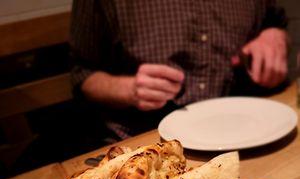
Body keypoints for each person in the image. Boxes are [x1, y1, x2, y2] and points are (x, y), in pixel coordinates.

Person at [70, 0, 288, 139]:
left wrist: (275, 36)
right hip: (145, 138)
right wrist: (128, 89)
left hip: (246, 127)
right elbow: (82, 74)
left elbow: (276, 23)